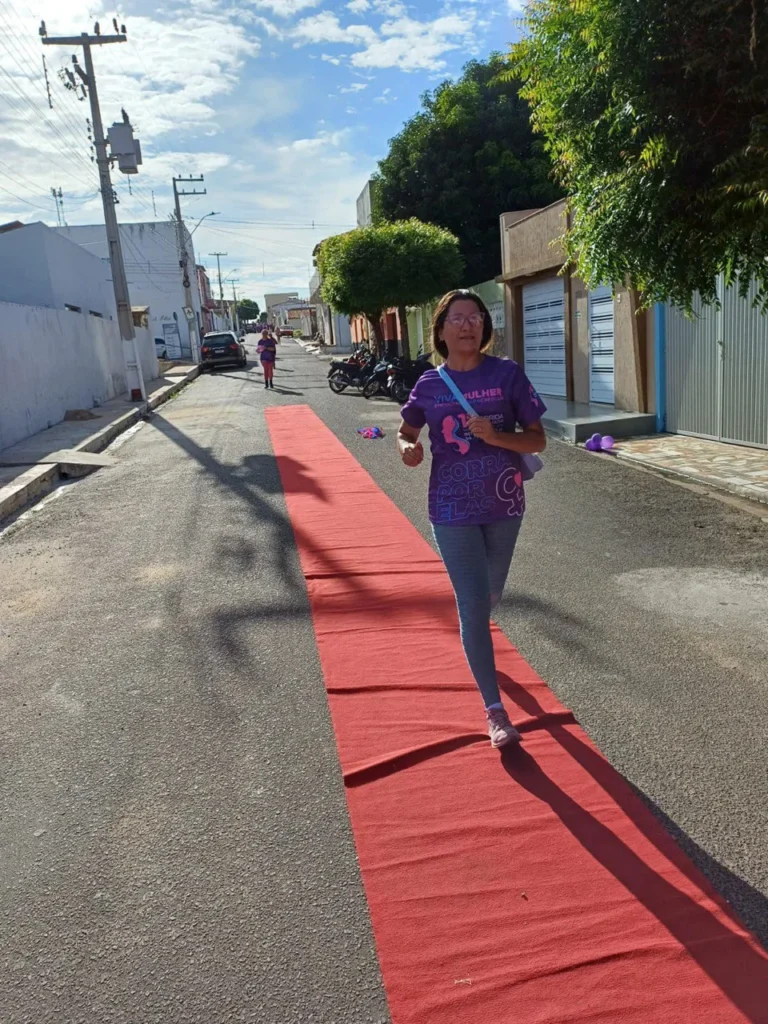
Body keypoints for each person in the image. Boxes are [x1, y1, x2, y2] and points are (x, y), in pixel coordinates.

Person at [397, 290, 547, 749]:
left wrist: (498, 436)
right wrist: (408, 449)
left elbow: (537, 441)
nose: (468, 325)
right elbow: (406, 431)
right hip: (451, 509)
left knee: (489, 595)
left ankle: (474, 630)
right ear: (441, 330)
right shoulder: (429, 384)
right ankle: (495, 710)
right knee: (474, 605)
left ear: (484, 326)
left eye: (475, 317)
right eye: (457, 319)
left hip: (504, 503)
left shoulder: (507, 374)